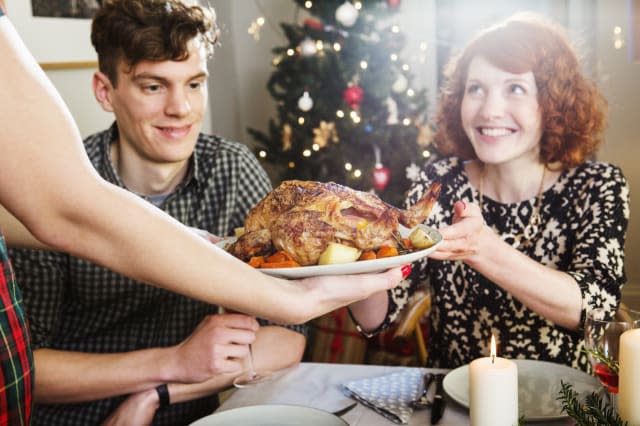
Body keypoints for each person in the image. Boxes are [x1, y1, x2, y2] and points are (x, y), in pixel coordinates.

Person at [0, 4, 406, 425]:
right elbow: (27, 368)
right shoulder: (54, 185)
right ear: (105, 91)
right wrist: (171, 361)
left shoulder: (231, 169)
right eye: (153, 87)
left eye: (194, 84)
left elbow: (286, 339)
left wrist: (158, 394)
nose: (181, 108)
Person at [350, 13, 629, 372]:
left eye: (515, 88)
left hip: (563, 407)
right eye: (476, 88)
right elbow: (380, 315)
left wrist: (484, 249)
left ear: (553, 102)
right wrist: (360, 261)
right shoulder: (439, 181)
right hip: (451, 402)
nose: (489, 110)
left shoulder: (598, 185)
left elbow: (597, 308)